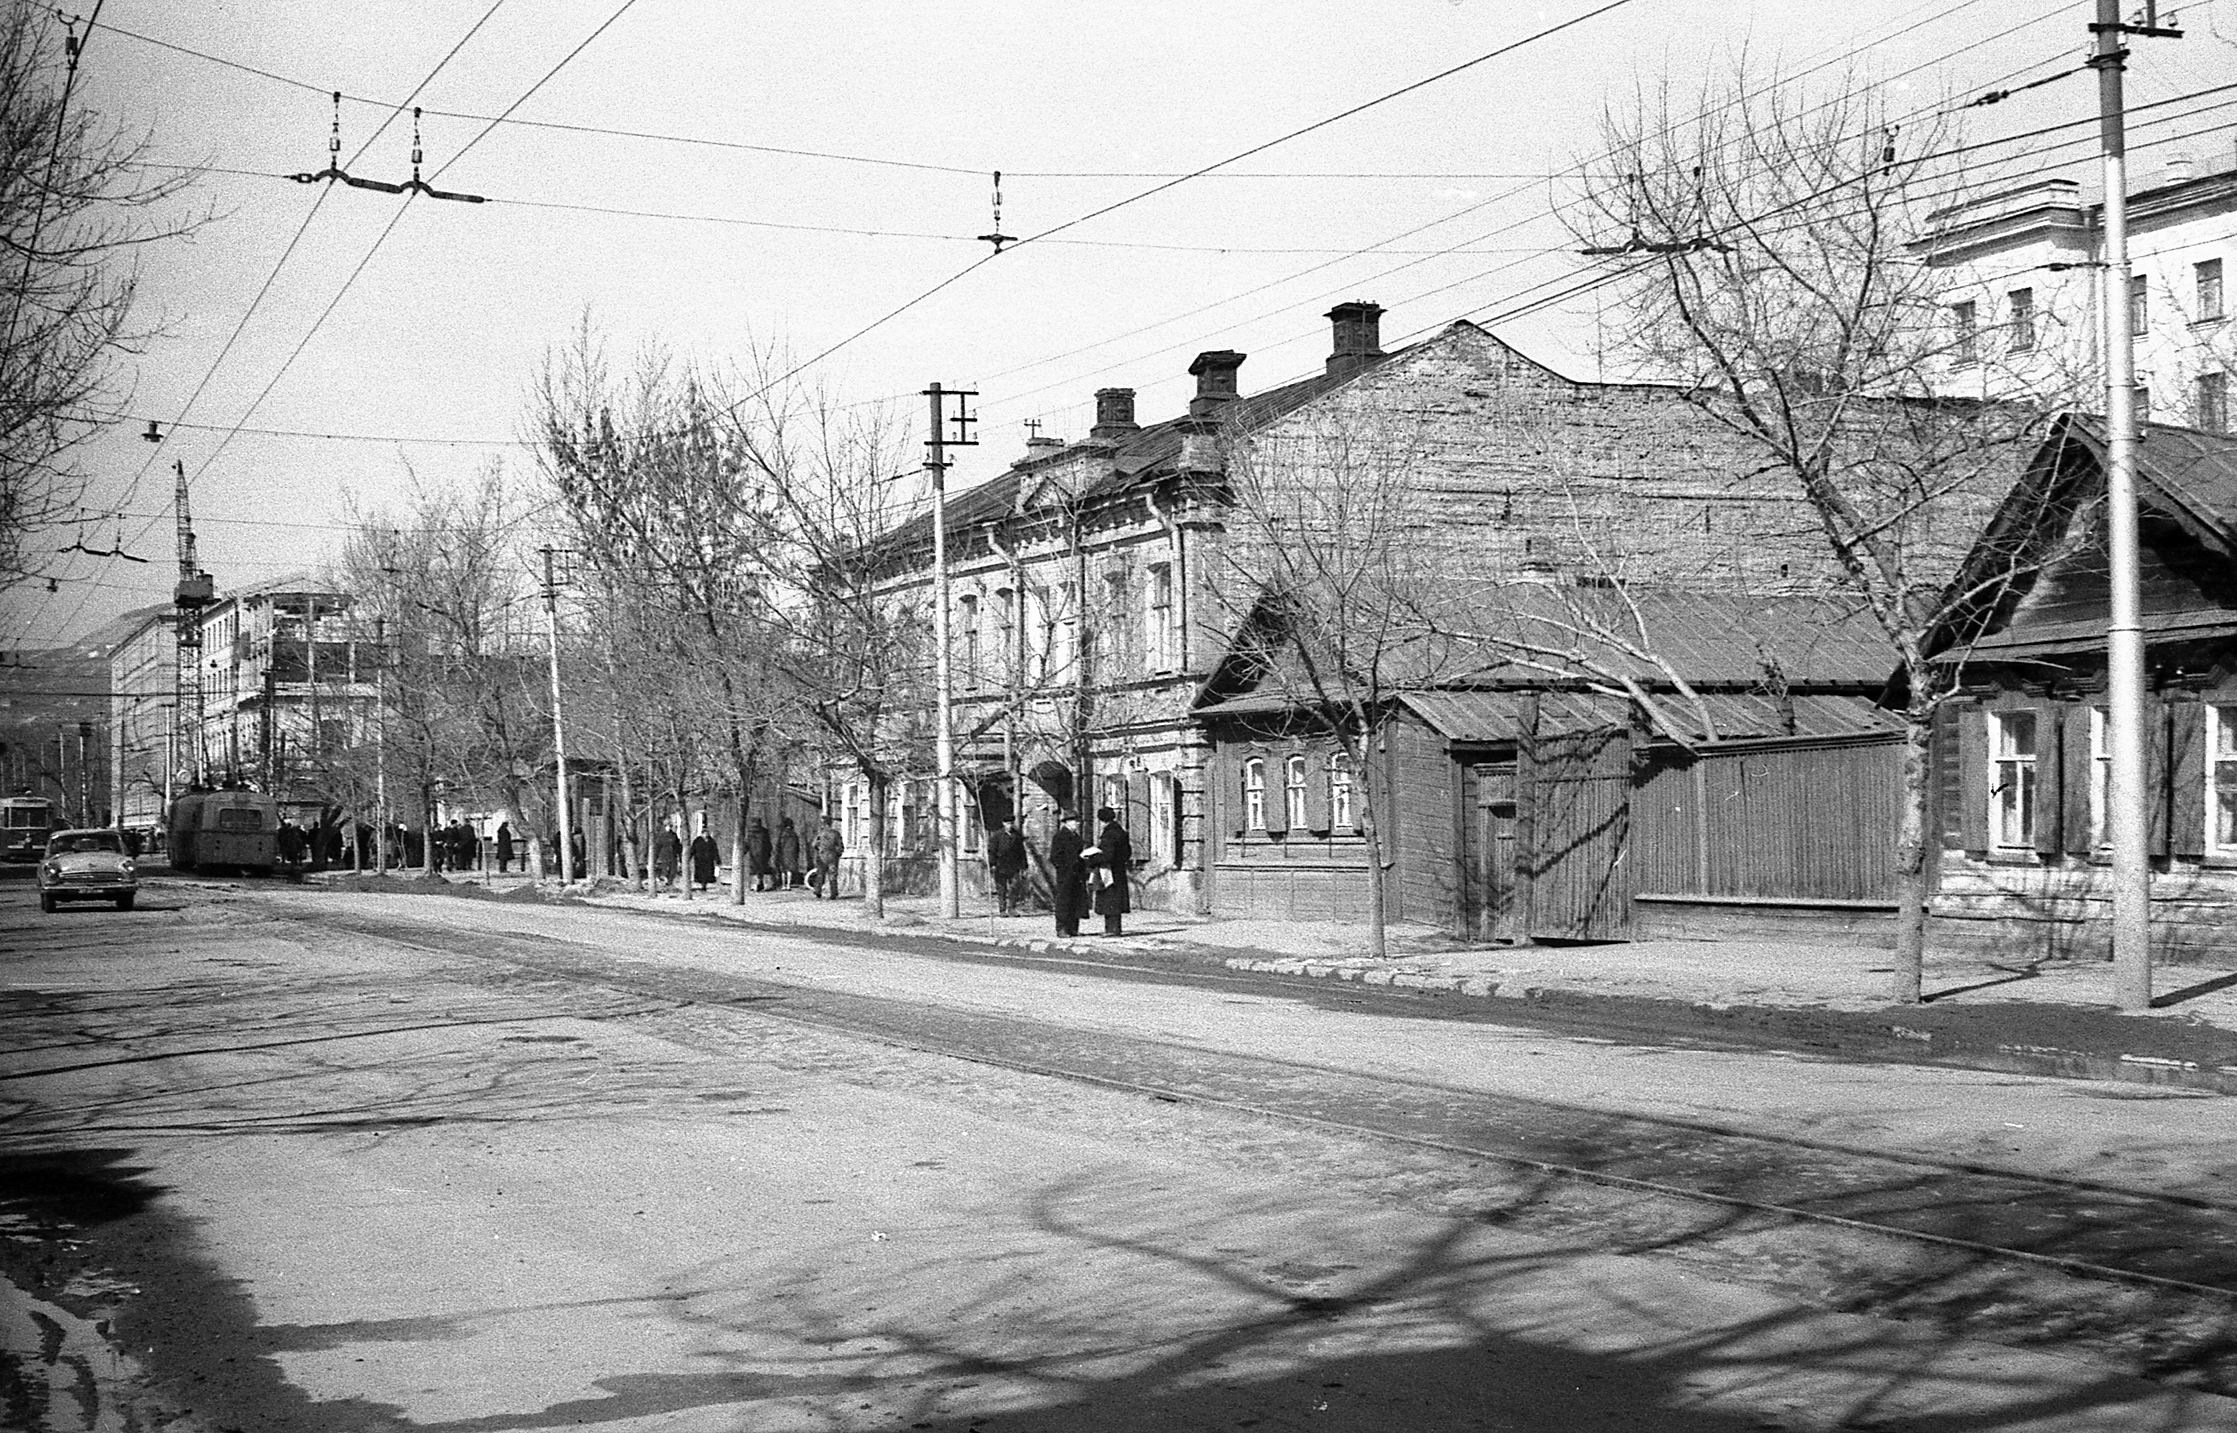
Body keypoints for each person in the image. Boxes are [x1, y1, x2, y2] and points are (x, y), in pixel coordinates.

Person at [1091, 805, 1134, 937]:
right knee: (1116, 900)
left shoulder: (1108, 835)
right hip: (1119, 870)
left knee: (1109, 900)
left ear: (1101, 820)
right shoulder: (1120, 831)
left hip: (1108, 871)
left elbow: (1107, 855)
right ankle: (1115, 929)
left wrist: (1093, 858)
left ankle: (1111, 930)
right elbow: (1128, 852)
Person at [1048, 811, 1088, 938]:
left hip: (1077, 873)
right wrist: (1066, 867)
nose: (1077, 823)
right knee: (1064, 901)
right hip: (1066, 874)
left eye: (1077, 821)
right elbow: (1055, 857)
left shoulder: (1076, 836)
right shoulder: (1060, 836)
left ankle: (1073, 928)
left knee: (1075, 900)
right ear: (1066, 822)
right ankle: (1061, 928)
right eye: (1074, 821)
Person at [986, 818, 1030, 916]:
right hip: (1000, 865)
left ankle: (1012, 908)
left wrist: (1024, 866)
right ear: (1004, 824)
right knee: (1001, 888)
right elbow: (991, 851)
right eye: (1007, 823)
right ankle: (1002, 910)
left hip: (1014, 865)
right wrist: (992, 864)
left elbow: (1022, 852)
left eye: (1011, 823)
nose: (1009, 826)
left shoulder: (1017, 835)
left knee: (1014, 887)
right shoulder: (997, 835)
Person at [810, 818, 844, 899]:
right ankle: (833, 893)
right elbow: (840, 846)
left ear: (824, 824)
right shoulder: (836, 834)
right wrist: (837, 854)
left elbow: (814, 844)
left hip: (822, 856)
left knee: (820, 874)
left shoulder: (820, 834)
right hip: (833, 856)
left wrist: (819, 849)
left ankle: (818, 891)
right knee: (833, 875)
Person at [774, 816, 803, 889]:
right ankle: (788, 885)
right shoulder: (794, 834)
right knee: (790, 869)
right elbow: (797, 845)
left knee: (783, 870)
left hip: (783, 853)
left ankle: (783, 885)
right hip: (792, 853)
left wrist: (777, 852)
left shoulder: (782, 834)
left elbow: (778, 844)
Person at [745, 817, 773, 892]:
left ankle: (754, 885)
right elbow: (768, 844)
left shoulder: (750, 832)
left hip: (753, 853)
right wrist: (769, 852)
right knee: (762, 869)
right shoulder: (764, 832)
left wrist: (744, 851)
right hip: (763, 853)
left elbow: (747, 843)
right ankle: (761, 883)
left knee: (754, 869)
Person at [653, 824, 683, 890]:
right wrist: (655, 857)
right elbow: (657, 847)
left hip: (673, 855)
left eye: (670, 826)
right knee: (664, 870)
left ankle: (670, 882)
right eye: (667, 826)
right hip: (663, 855)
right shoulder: (661, 836)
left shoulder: (674, 835)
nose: (669, 828)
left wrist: (680, 857)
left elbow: (678, 846)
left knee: (673, 870)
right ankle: (663, 884)